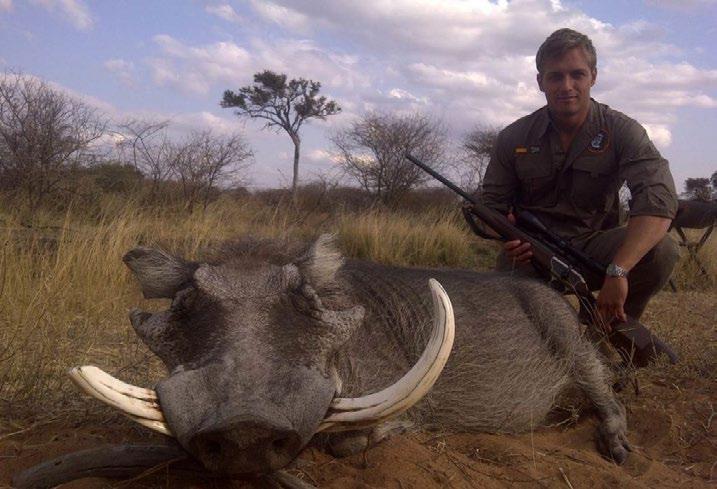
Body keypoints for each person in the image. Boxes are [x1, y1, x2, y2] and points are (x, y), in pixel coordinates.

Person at [480, 28, 680, 327]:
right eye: (555, 77)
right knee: (513, 336)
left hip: (595, 250)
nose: (567, 86)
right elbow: (489, 209)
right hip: (530, 254)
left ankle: (608, 327)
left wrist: (619, 270)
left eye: (577, 74)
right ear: (540, 82)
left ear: (593, 76)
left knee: (663, 250)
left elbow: (658, 201)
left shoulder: (623, 131)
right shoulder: (512, 137)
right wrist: (505, 236)